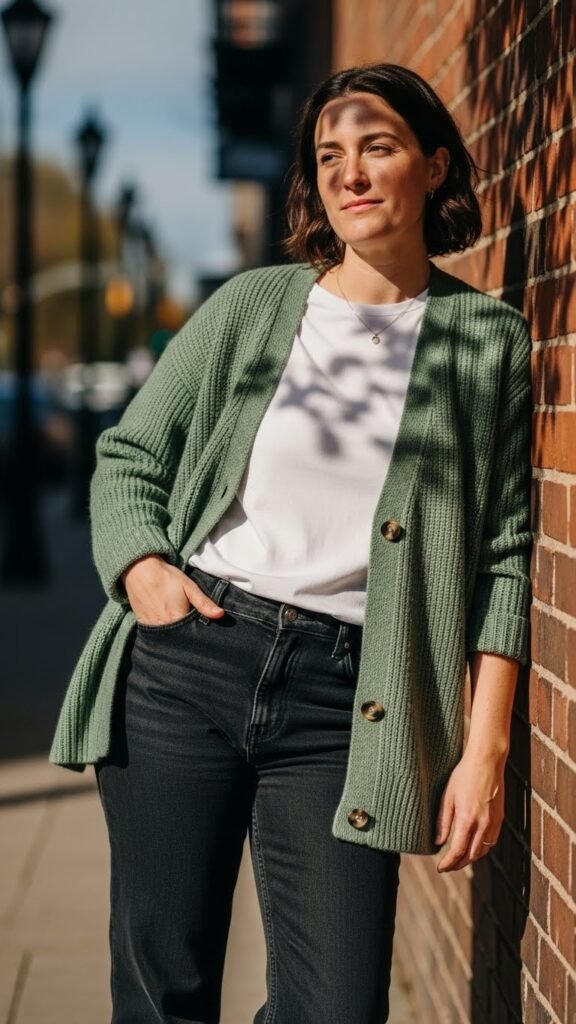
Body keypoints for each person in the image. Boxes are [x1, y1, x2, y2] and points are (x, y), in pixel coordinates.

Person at [50, 63, 532, 1024]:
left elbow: (505, 556)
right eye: (329, 157)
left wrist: (485, 750)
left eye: (378, 148)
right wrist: (144, 569)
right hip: (190, 663)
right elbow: (130, 453)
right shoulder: (255, 307)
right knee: (162, 986)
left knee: (338, 1005)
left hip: (345, 704)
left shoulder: (486, 341)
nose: (350, 174)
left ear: (433, 168)